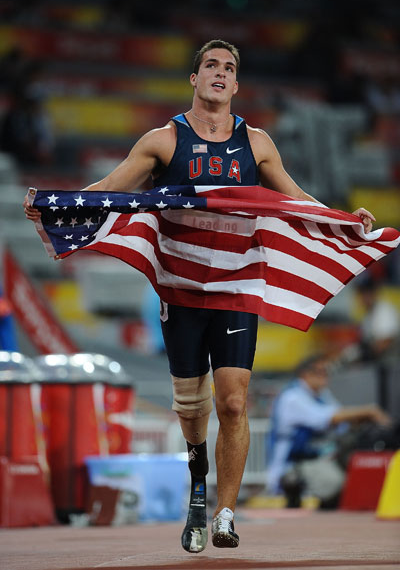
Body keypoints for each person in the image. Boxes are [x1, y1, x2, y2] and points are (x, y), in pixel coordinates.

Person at [24, 40, 377, 553]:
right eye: (210, 65)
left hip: (237, 287)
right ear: (195, 79)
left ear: (236, 85)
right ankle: (196, 482)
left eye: (229, 68)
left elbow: (296, 200)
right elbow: (110, 191)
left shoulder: (257, 145)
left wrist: (344, 220)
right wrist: (61, 208)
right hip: (182, 291)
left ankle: (225, 512)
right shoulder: (163, 141)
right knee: (192, 410)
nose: (219, 73)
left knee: (233, 402)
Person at [266, 354, 391, 507]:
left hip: (319, 458)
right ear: (305, 373)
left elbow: (343, 419)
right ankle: (293, 485)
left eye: (326, 371)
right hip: (292, 464)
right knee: (335, 484)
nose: (325, 375)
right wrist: (369, 411)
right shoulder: (292, 397)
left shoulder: (322, 395)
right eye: (320, 371)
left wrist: (365, 419)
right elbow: (329, 417)